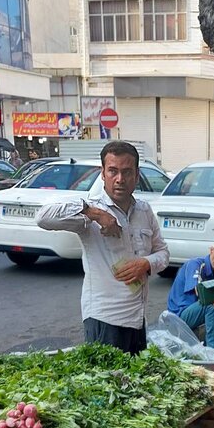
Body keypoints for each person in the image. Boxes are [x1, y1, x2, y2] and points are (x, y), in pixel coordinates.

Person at [36, 140, 170, 354]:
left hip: (137, 319)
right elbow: (43, 217)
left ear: (136, 175)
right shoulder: (90, 212)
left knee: (135, 384)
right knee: (108, 385)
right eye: (113, 171)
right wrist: (96, 214)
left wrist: (145, 263)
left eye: (127, 172)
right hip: (104, 320)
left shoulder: (144, 211)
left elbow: (163, 253)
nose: (120, 179)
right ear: (102, 173)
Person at [166, 242, 214, 348]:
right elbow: (199, 290)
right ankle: (213, 351)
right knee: (211, 304)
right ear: (211, 250)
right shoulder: (196, 264)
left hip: (193, 313)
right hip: (178, 317)